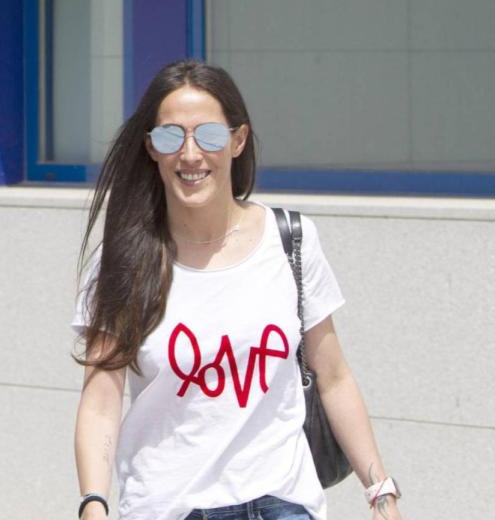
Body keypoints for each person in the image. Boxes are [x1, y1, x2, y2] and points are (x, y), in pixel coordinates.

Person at [72, 60, 402, 520]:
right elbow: (101, 399)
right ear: (151, 148)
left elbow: (334, 376)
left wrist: (380, 491)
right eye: (171, 137)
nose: (190, 154)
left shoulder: (290, 241)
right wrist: (94, 502)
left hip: (282, 503)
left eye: (208, 135)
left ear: (237, 140)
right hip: (170, 507)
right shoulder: (123, 261)